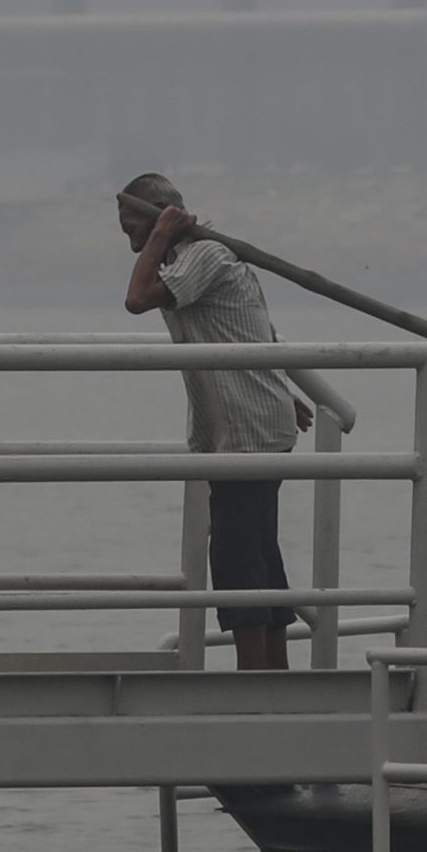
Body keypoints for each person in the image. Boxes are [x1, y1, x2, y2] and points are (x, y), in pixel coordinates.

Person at [117, 172, 312, 671]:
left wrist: (160, 234)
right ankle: (274, 672)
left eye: (136, 226)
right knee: (257, 551)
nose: (132, 240)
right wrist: (281, 391)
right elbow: (243, 325)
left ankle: (255, 680)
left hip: (248, 432)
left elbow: (135, 300)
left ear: (166, 212)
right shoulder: (187, 261)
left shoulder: (203, 256)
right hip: (243, 424)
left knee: (236, 557)